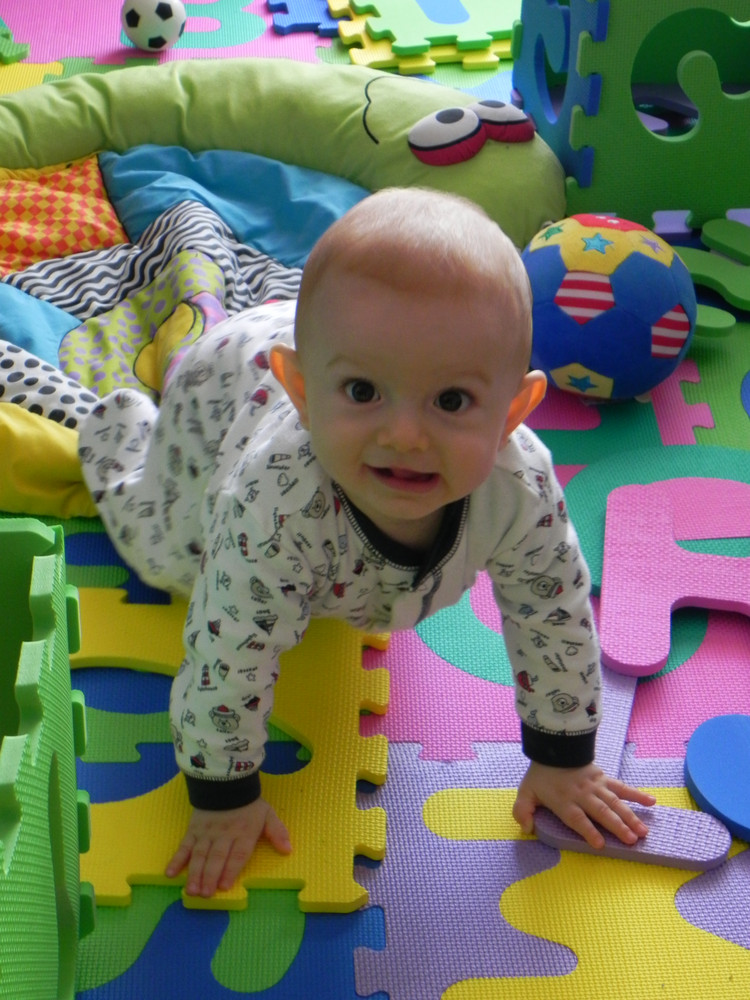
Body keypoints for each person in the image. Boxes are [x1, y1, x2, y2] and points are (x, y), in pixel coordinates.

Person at [75, 187, 655, 898]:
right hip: (220, 390)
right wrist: (223, 795)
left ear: (514, 411)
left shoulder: (518, 484)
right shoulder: (270, 502)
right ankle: (114, 425)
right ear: (302, 391)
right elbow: (226, 654)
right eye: (364, 394)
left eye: (451, 401)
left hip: (307, 351)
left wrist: (564, 758)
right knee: (169, 560)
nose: (404, 436)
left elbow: (553, 612)